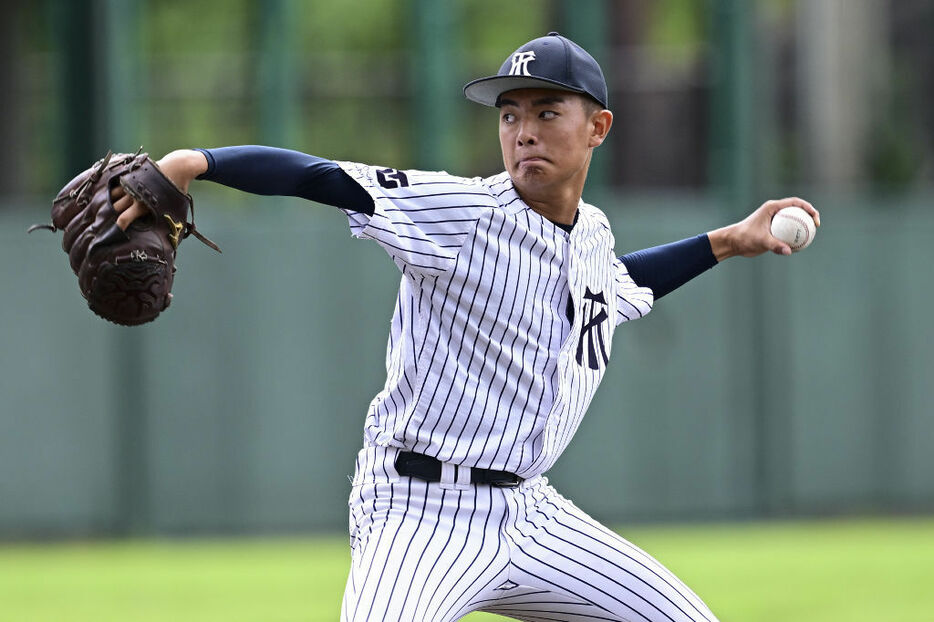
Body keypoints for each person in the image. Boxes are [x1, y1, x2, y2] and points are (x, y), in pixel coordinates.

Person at [113, 33, 818, 622]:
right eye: (510, 116)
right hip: (420, 511)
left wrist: (727, 241)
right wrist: (194, 163)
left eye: (547, 111)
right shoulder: (462, 212)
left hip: (533, 512)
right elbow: (323, 177)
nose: (524, 131)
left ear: (598, 127)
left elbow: (620, 285)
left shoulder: (592, 234)